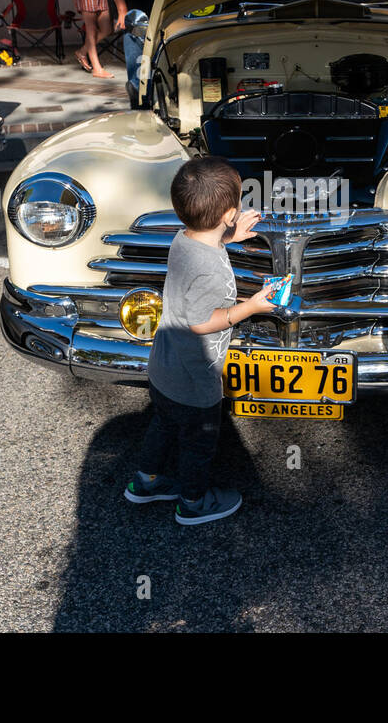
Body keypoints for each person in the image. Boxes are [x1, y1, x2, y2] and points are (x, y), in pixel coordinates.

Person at [126, 157, 277, 525]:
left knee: (162, 425)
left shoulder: (184, 238)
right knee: (198, 444)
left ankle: (145, 482)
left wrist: (230, 235)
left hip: (164, 367)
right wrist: (252, 307)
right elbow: (201, 322)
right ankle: (192, 503)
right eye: (237, 205)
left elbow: (203, 248)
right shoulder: (208, 267)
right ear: (229, 213)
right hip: (195, 378)